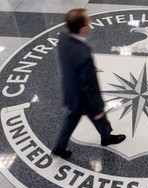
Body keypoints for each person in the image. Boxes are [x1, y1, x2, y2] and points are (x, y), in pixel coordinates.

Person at [52, 8, 126, 159]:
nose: (90, 25)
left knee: (71, 121)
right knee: (99, 116)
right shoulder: (83, 55)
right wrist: (97, 107)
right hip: (83, 98)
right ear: (82, 28)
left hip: (70, 91)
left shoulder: (64, 37)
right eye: (88, 22)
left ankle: (59, 147)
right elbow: (88, 86)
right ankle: (106, 138)